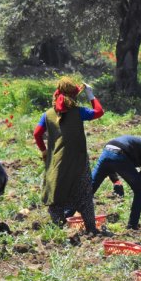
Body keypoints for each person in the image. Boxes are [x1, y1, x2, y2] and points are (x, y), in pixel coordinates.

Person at [34, 77, 104, 233]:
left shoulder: (48, 115)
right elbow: (99, 112)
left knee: (56, 194)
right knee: (84, 195)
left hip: (56, 163)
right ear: (74, 95)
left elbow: (37, 134)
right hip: (78, 162)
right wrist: (90, 94)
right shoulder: (79, 112)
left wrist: (44, 151)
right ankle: (91, 229)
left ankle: (59, 229)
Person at [91, 135, 141, 230]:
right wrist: (137, 184)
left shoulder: (137, 143)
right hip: (120, 155)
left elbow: (110, 162)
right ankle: (132, 226)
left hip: (107, 151)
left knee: (88, 189)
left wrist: (116, 182)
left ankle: (65, 216)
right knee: (140, 190)